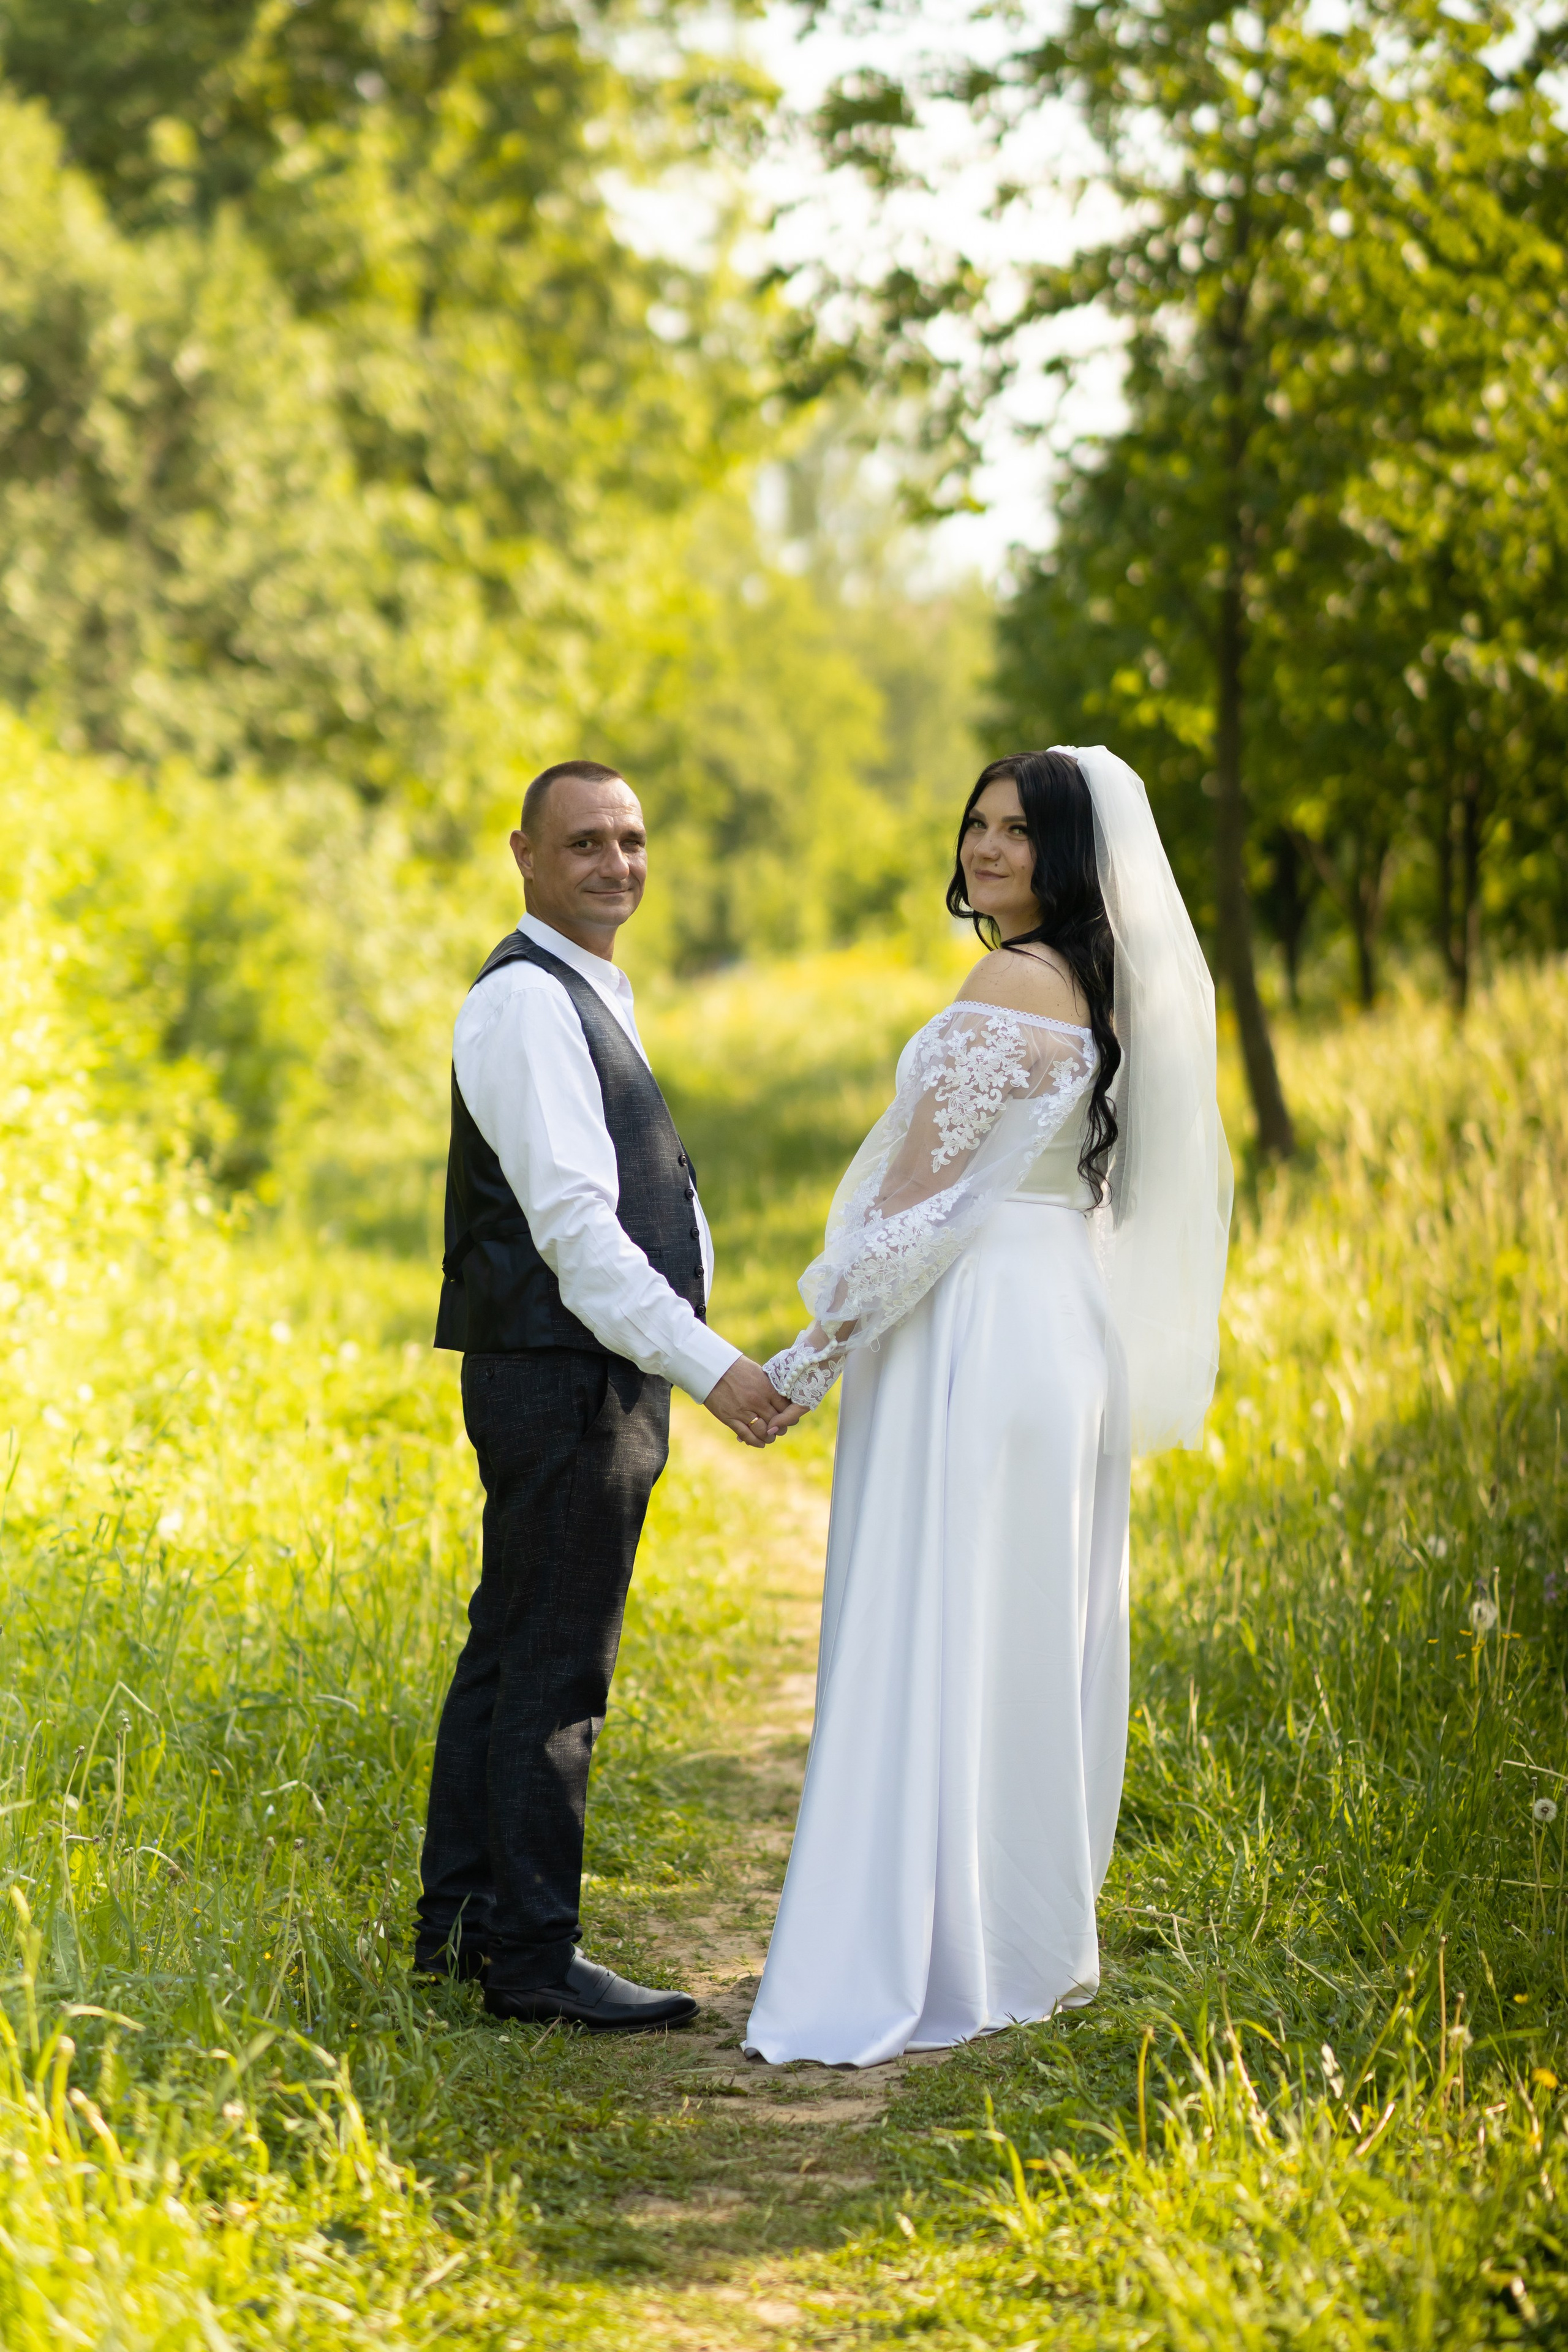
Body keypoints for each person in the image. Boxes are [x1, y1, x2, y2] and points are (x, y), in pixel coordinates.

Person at [745, 747, 1231, 2067]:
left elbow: (912, 1204)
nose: (986, 848)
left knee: (936, 1613)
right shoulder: (1104, 983)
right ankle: (1009, 1942)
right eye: (975, 824)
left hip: (973, 1319)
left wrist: (807, 1355)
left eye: (1018, 830)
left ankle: (917, 1944)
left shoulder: (1009, 980)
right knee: (1012, 1623)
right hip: (1055, 1314)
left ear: (1069, 852)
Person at [418, 760, 794, 2032]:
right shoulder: (528, 1004)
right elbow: (577, 1235)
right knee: (554, 1669)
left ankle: (462, 1934)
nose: (615, 862)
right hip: (566, 1374)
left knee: (513, 1644)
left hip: (574, 1371)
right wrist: (714, 1366)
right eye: (584, 842)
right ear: (523, 853)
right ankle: (529, 1959)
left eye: (631, 839)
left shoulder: (582, 992)